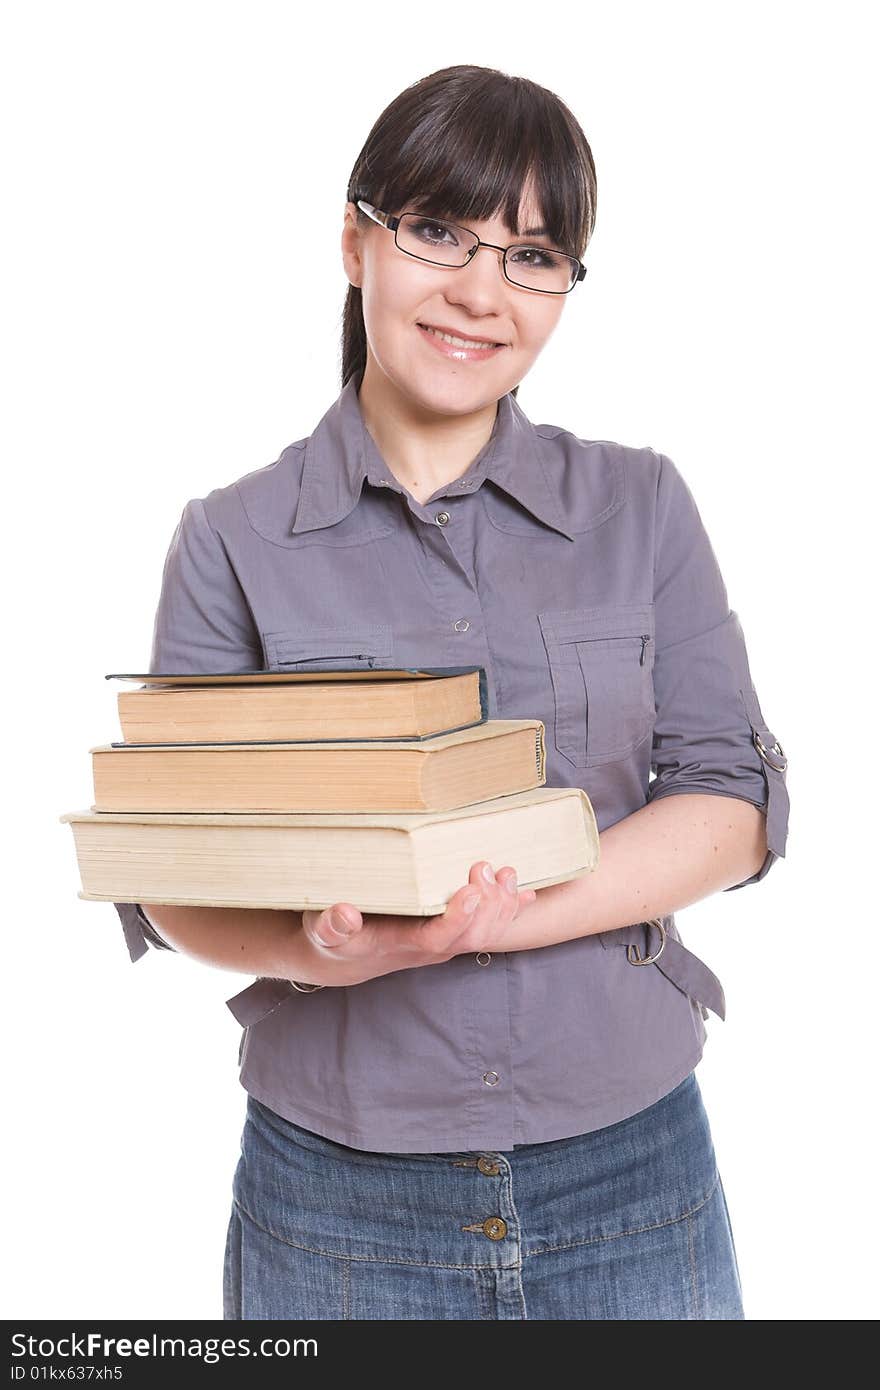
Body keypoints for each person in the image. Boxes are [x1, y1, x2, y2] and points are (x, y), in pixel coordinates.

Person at [113, 63, 789, 1320]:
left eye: (533, 255)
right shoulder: (231, 538)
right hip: (336, 1204)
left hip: (631, 1171)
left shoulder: (639, 506)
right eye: (439, 233)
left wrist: (478, 923)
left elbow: (731, 799)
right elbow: (173, 877)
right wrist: (322, 952)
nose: (481, 293)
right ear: (357, 242)